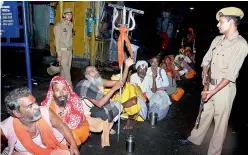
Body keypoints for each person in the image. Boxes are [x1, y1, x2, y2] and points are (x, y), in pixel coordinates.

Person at [181, 7, 248, 155]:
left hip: (224, 89)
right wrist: (205, 75)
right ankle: (195, 138)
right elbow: (206, 60)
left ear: (231, 22)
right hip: (209, 83)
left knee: (220, 123)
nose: (218, 25)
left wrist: (213, 91)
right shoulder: (217, 40)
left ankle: (214, 152)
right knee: (204, 113)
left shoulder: (240, 44)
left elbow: (231, 74)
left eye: (221, 22)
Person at [1, 87, 79, 155]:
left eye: (35, 102)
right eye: (30, 106)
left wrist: (73, 144)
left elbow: (61, 126)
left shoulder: (45, 112)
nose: (37, 107)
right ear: (17, 113)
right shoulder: (5, 128)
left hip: (51, 150)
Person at [41, 76, 89, 146]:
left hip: (78, 129)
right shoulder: (47, 105)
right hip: (57, 131)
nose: (61, 93)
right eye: (57, 90)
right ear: (53, 93)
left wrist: (63, 120)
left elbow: (77, 122)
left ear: (68, 90)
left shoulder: (75, 100)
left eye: (64, 89)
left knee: (73, 137)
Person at [54, 8, 74, 88]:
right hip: (62, 52)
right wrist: (59, 54)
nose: (69, 16)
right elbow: (57, 41)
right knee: (67, 73)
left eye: (70, 14)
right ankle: (71, 90)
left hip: (69, 52)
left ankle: (61, 87)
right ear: (63, 15)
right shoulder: (58, 26)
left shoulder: (70, 25)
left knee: (63, 71)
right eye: (67, 14)